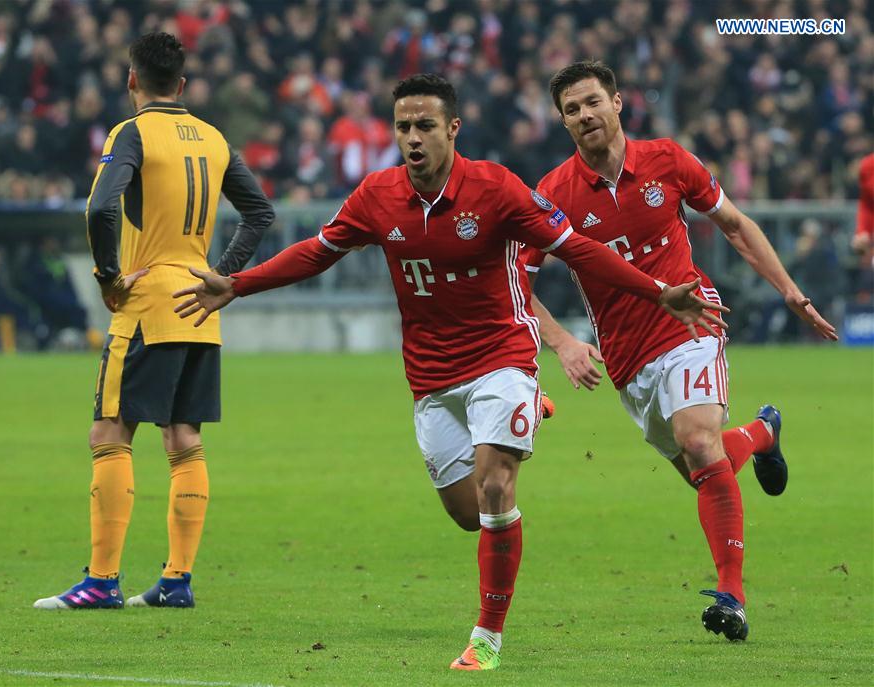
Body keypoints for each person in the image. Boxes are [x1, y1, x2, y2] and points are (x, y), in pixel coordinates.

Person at [173, 73, 726, 670]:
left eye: (425, 126)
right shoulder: (376, 197)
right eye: (403, 127)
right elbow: (316, 251)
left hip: (502, 358)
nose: (413, 138)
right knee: (468, 514)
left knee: (495, 488)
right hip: (433, 378)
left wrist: (656, 291)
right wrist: (240, 284)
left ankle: (486, 639)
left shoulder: (496, 189)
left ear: (452, 130)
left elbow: (577, 249)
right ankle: (526, 417)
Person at [521, 61, 838, 641]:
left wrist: (790, 291)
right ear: (563, 122)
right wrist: (562, 341)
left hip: (692, 324)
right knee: (705, 465)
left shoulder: (667, 160)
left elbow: (737, 226)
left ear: (618, 103)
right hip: (627, 358)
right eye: (572, 109)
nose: (585, 115)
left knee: (697, 441)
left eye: (593, 102)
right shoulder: (552, 194)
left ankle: (733, 597)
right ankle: (763, 434)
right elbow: (515, 280)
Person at [33, 32, 273, 610]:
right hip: (201, 305)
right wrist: (223, 273)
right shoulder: (214, 138)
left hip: (148, 304)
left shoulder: (132, 133)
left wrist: (109, 277)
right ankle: (176, 581)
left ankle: (101, 581)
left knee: (110, 433)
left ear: (131, 79)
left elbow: (99, 206)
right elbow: (260, 212)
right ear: (183, 84)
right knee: (184, 440)